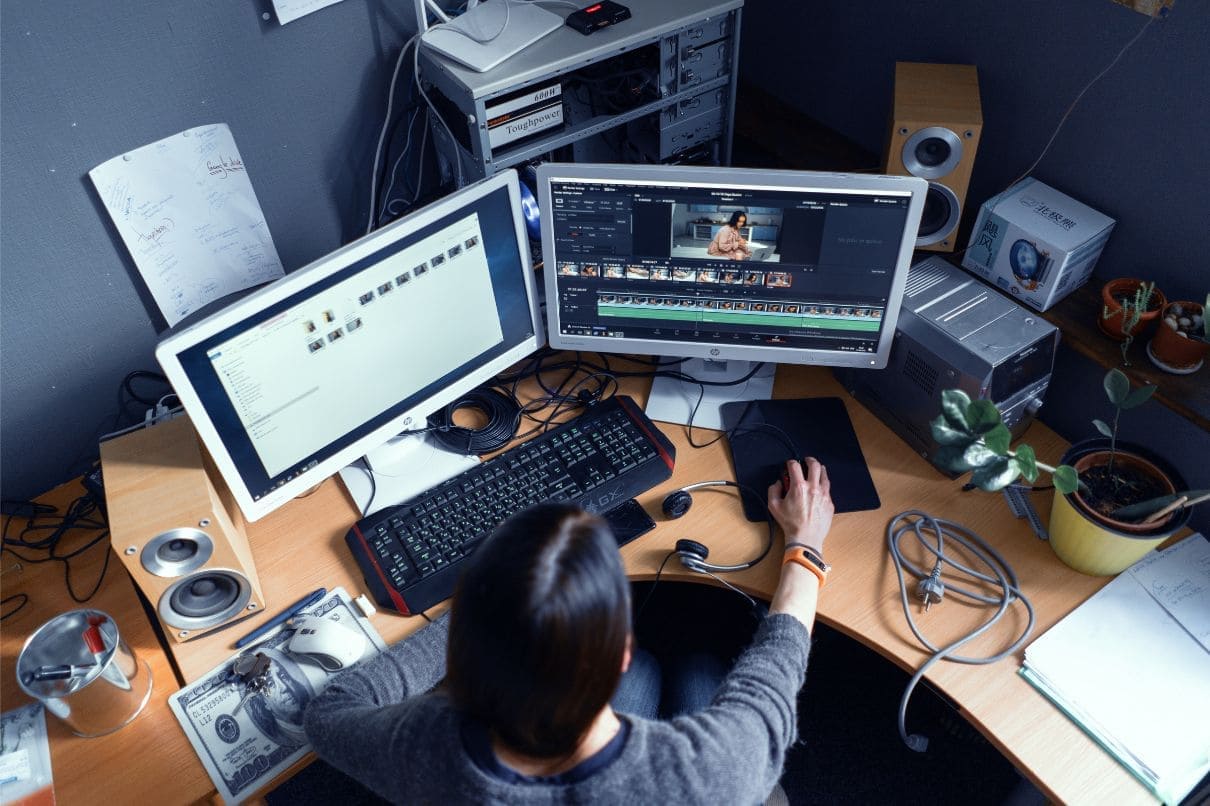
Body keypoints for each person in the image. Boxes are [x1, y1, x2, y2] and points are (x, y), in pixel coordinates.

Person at [303, 458, 834, 803]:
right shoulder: (711, 771)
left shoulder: (425, 742)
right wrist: (803, 544)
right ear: (618, 651)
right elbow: (777, 668)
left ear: (461, 656)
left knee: (658, 673)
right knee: (700, 672)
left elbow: (328, 713)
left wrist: (492, 605)